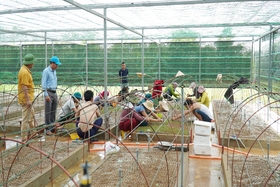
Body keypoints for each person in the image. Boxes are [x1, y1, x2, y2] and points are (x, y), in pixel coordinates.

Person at [18, 54, 41, 140]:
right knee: (25, 118)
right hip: (25, 99)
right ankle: (23, 138)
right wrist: (27, 100)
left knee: (31, 116)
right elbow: (24, 86)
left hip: (29, 98)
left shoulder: (25, 70)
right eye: (33, 63)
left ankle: (33, 133)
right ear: (30, 63)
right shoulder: (24, 72)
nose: (33, 64)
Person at [41, 56, 61, 135]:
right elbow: (43, 84)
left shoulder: (54, 71)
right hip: (48, 92)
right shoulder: (46, 71)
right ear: (52, 63)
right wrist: (46, 95)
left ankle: (52, 127)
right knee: (48, 111)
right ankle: (47, 129)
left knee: (53, 110)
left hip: (54, 92)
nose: (57, 66)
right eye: (56, 64)